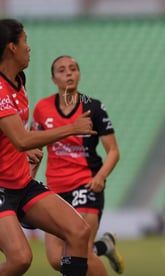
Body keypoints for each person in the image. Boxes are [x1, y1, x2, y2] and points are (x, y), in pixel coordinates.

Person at [0, 18, 96, 275]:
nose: (29, 48)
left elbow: (14, 135)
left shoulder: (19, 80)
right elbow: (21, 140)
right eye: (25, 41)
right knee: (20, 259)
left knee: (79, 232)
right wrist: (72, 128)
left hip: (20, 184)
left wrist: (25, 142)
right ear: (11, 47)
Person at [31, 55, 124, 275]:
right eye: (62, 70)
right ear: (53, 78)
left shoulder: (93, 107)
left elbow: (113, 151)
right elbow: (35, 150)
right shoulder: (42, 109)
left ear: (79, 74)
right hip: (54, 190)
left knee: (79, 253)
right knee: (56, 259)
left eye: (73, 69)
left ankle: (99, 247)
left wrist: (100, 176)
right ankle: (104, 246)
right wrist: (27, 179)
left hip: (86, 186)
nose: (69, 73)